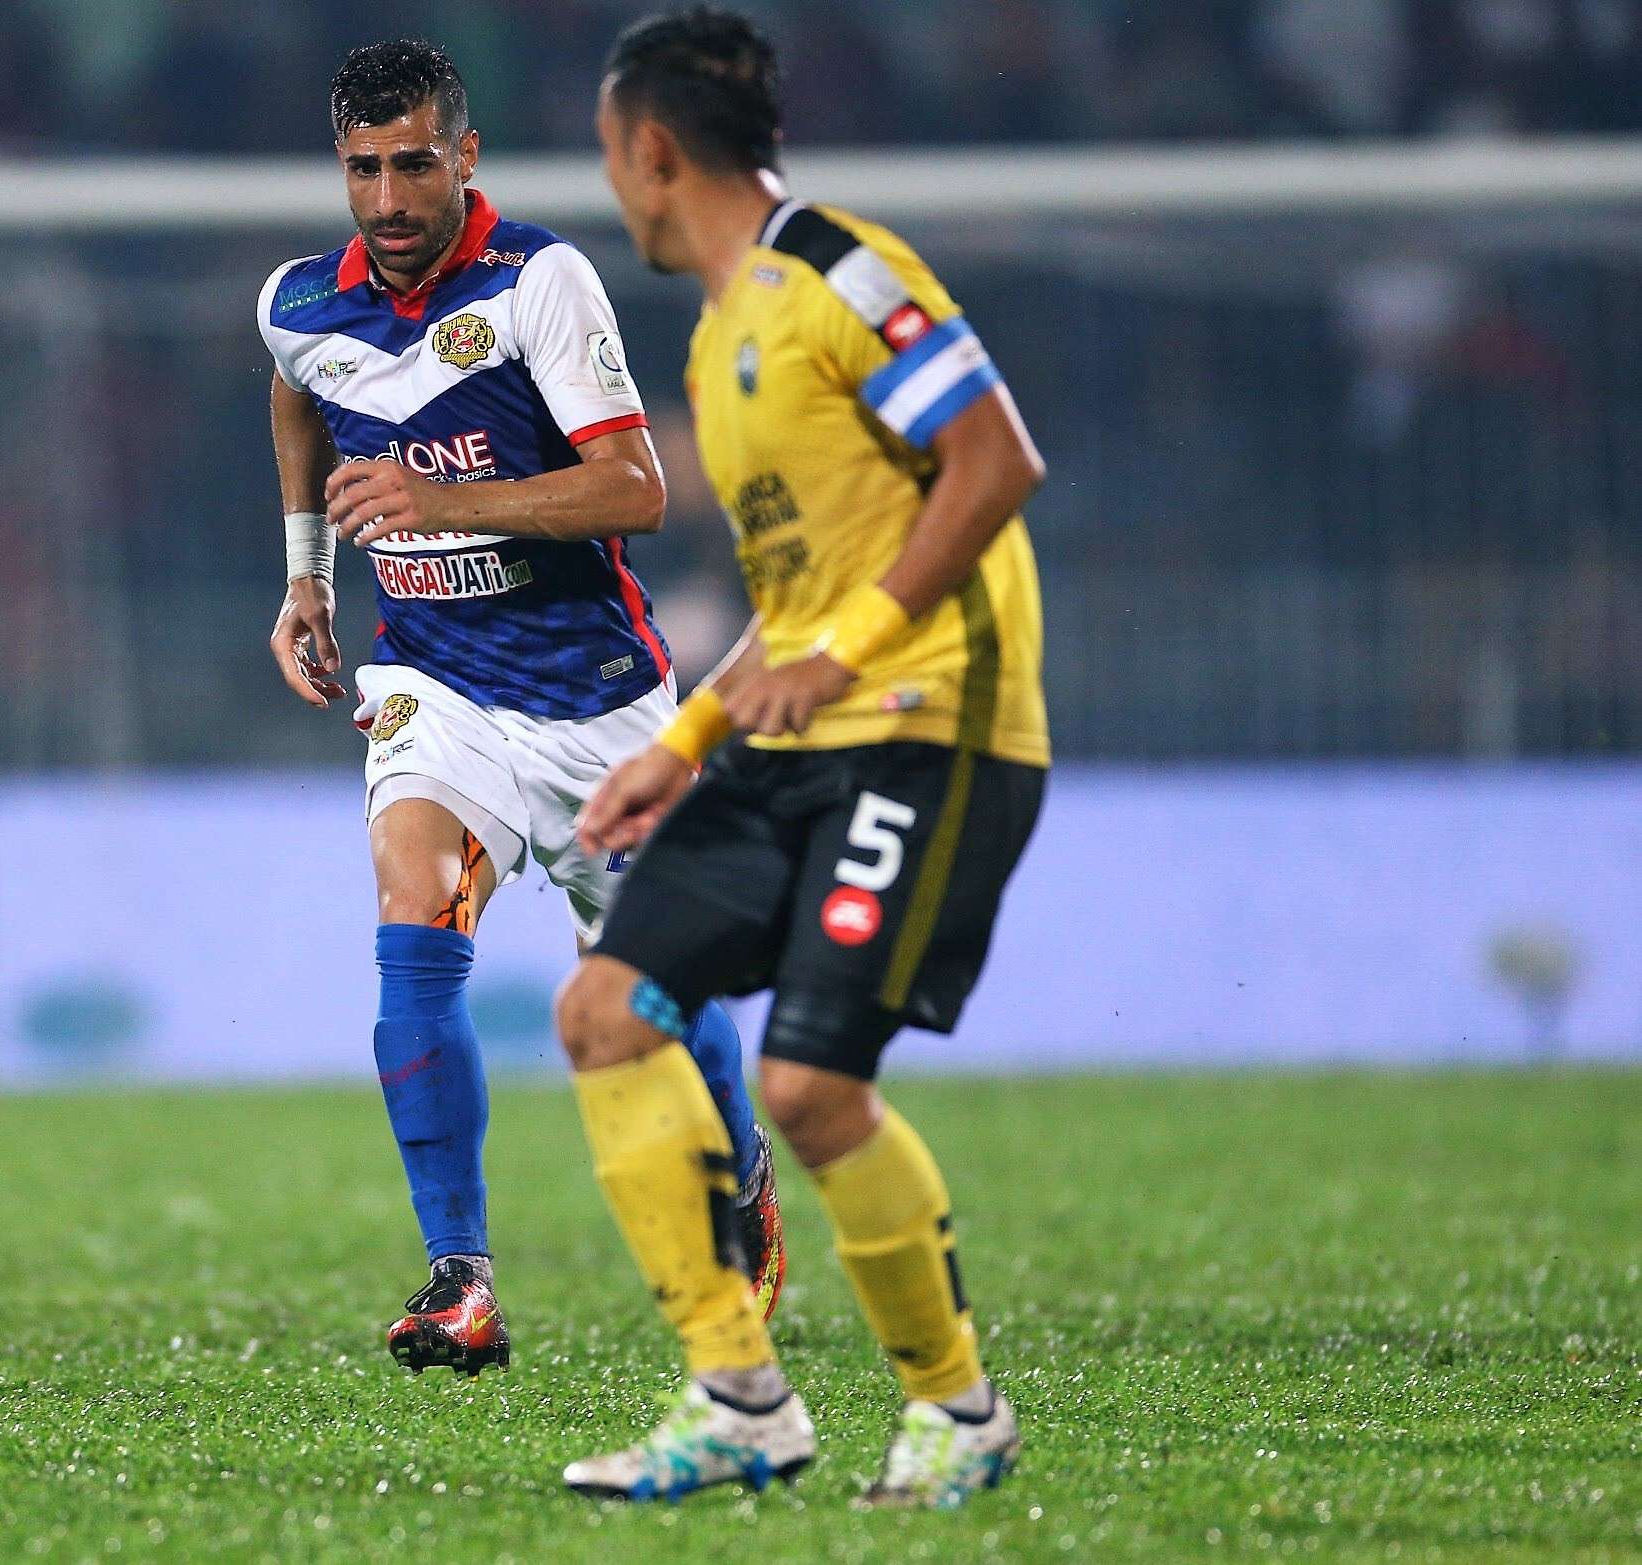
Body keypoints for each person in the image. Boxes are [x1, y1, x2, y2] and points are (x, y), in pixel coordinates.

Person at [556, 6, 1050, 1504]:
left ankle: (959, 1413)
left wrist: (858, 643)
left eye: (610, 154)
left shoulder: (840, 269)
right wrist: (689, 741)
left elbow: (995, 460)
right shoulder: (720, 338)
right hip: (793, 736)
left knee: (811, 1089)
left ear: (652, 150)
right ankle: (739, 1397)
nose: (617, 185)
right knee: (604, 1009)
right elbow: (796, 605)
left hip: (928, 725)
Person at [254, 37, 784, 1378]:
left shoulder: (541, 281)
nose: (388, 198)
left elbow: (637, 489)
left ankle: (745, 1176)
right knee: (412, 912)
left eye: (415, 164)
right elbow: (296, 393)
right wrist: (307, 575)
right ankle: (462, 1276)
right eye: (365, 169)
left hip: (593, 692)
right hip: (434, 678)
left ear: (465, 155)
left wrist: (447, 503)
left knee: (656, 985)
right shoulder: (302, 303)